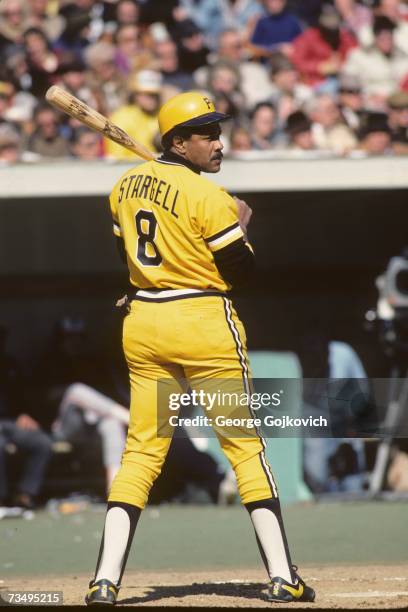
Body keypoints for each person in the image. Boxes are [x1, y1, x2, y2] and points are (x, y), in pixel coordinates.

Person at [84, 91, 315, 605]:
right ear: (178, 142)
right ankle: (284, 577)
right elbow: (242, 272)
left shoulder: (123, 186)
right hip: (204, 322)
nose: (218, 143)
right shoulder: (210, 198)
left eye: (217, 131)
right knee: (245, 447)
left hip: (144, 321)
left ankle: (104, 582)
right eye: (206, 134)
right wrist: (242, 222)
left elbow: (128, 253)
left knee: (141, 452)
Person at [0, 324, 52, 509]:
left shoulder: (10, 366)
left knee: (42, 442)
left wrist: (25, 414)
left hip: (12, 421)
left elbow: (23, 396)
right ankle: (1, 498)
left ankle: (25, 493)